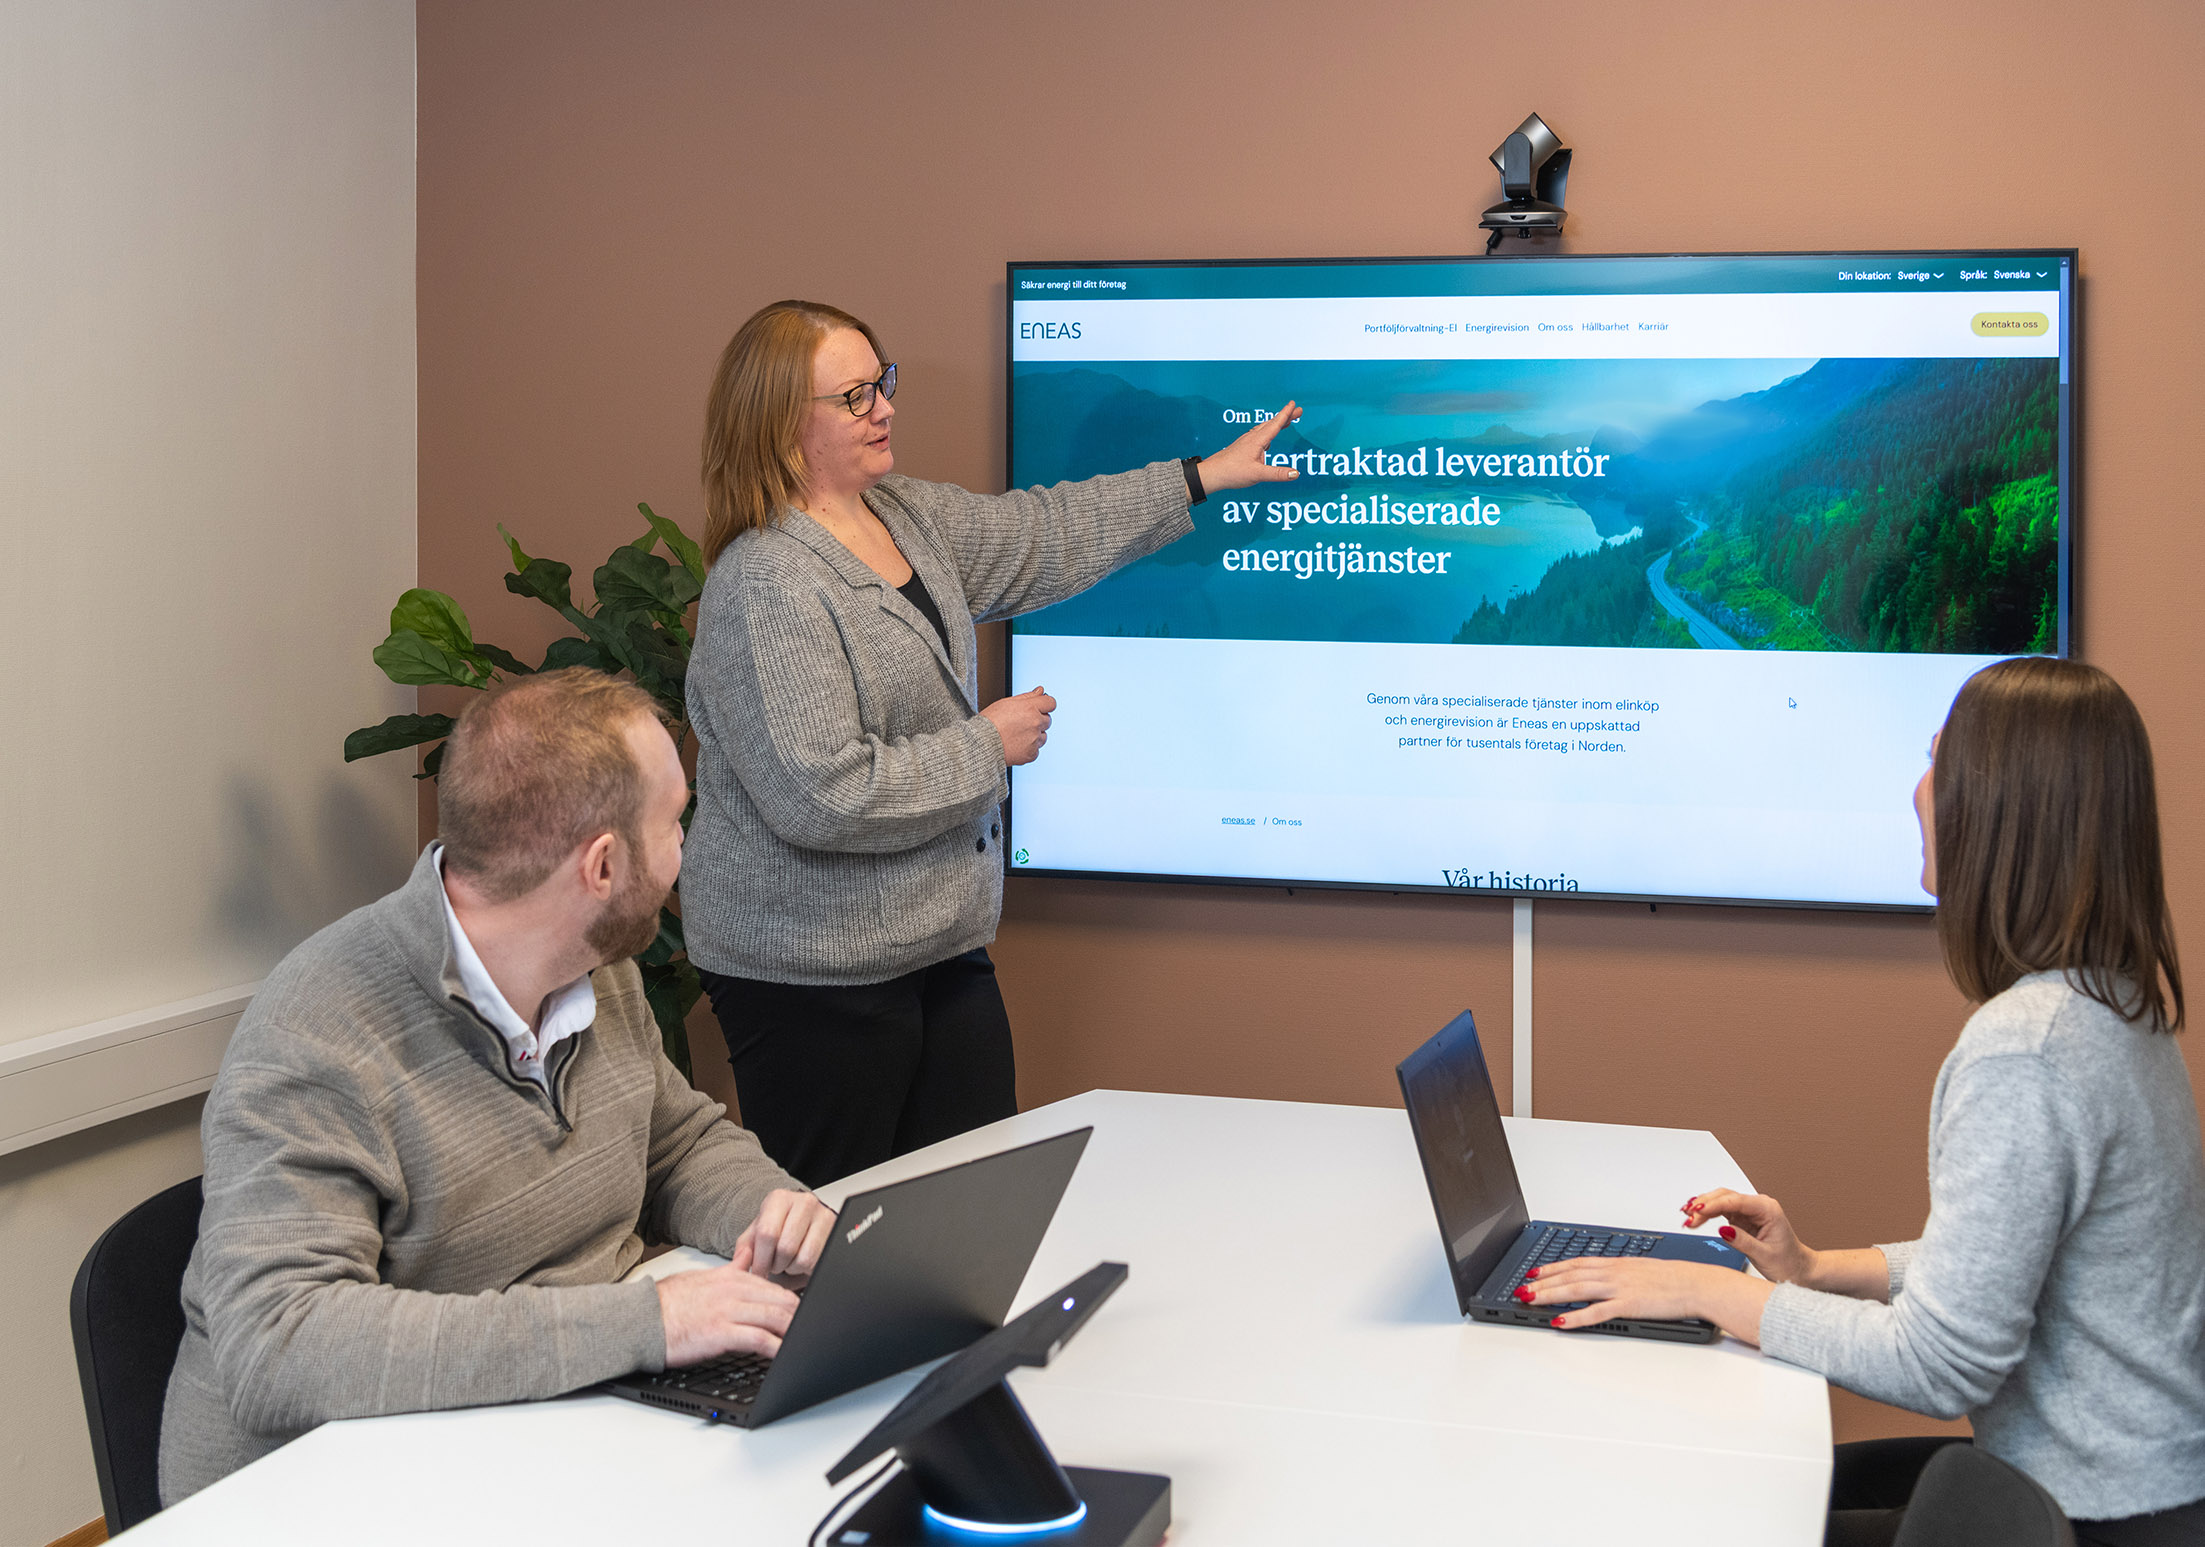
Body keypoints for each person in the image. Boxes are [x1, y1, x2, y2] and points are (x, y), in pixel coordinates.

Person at [1518, 656, 2205, 1544]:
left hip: (2085, 1517)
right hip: (2145, 1488)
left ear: (2001, 810)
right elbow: (2004, 1263)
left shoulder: (2025, 1050)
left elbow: (1939, 1364)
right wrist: (1811, 1267)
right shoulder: (2111, 1005)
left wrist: (1703, 1293)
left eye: (1937, 764)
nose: (1917, 793)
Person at [160, 670, 836, 1504]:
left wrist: (773, 1212)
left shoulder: (596, 969)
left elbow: (675, 1143)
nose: (684, 852)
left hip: (529, 1431)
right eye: (673, 824)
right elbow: (280, 1342)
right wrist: (648, 1323)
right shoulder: (318, 1031)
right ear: (602, 864)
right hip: (317, 1493)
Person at [681, 299, 1300, 1187]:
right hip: (810, 977)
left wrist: (1198, 478)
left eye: (881, 383)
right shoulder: (766, 584)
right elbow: (823, 796)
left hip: (937, 945)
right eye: (855, 396)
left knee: (970, 1209)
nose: (885, 408)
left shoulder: (902, 516)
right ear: (784, 427)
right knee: (832, 1241)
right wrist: (987, 745)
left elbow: (1045, 532)